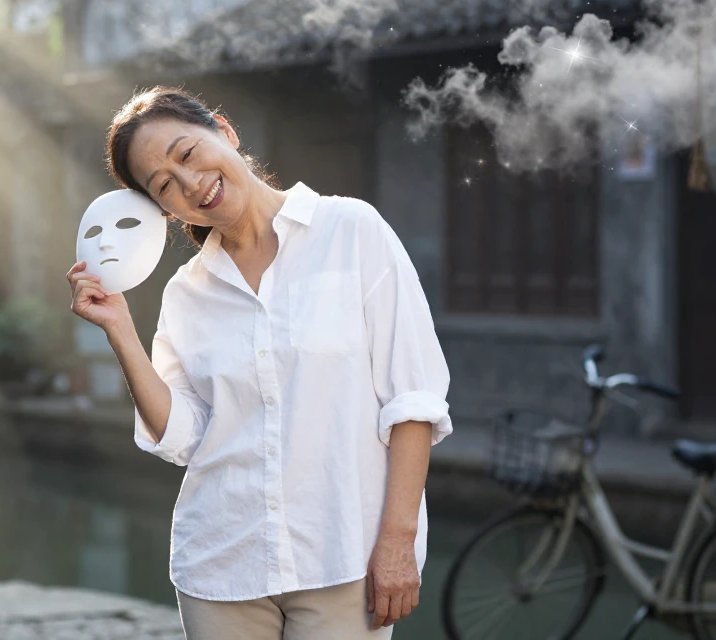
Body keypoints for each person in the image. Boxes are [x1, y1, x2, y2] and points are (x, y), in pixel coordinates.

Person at [66, 87, 451, 639]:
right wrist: (120, 331)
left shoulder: (352, 231)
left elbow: (413, 398)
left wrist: (398, 541)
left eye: (187, 153)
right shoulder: (187, 294)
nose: (190, 183)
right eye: (164, 186)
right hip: (221, 569)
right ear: (163, 210)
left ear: (223, 130)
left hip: (344, 560)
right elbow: (182, 436)